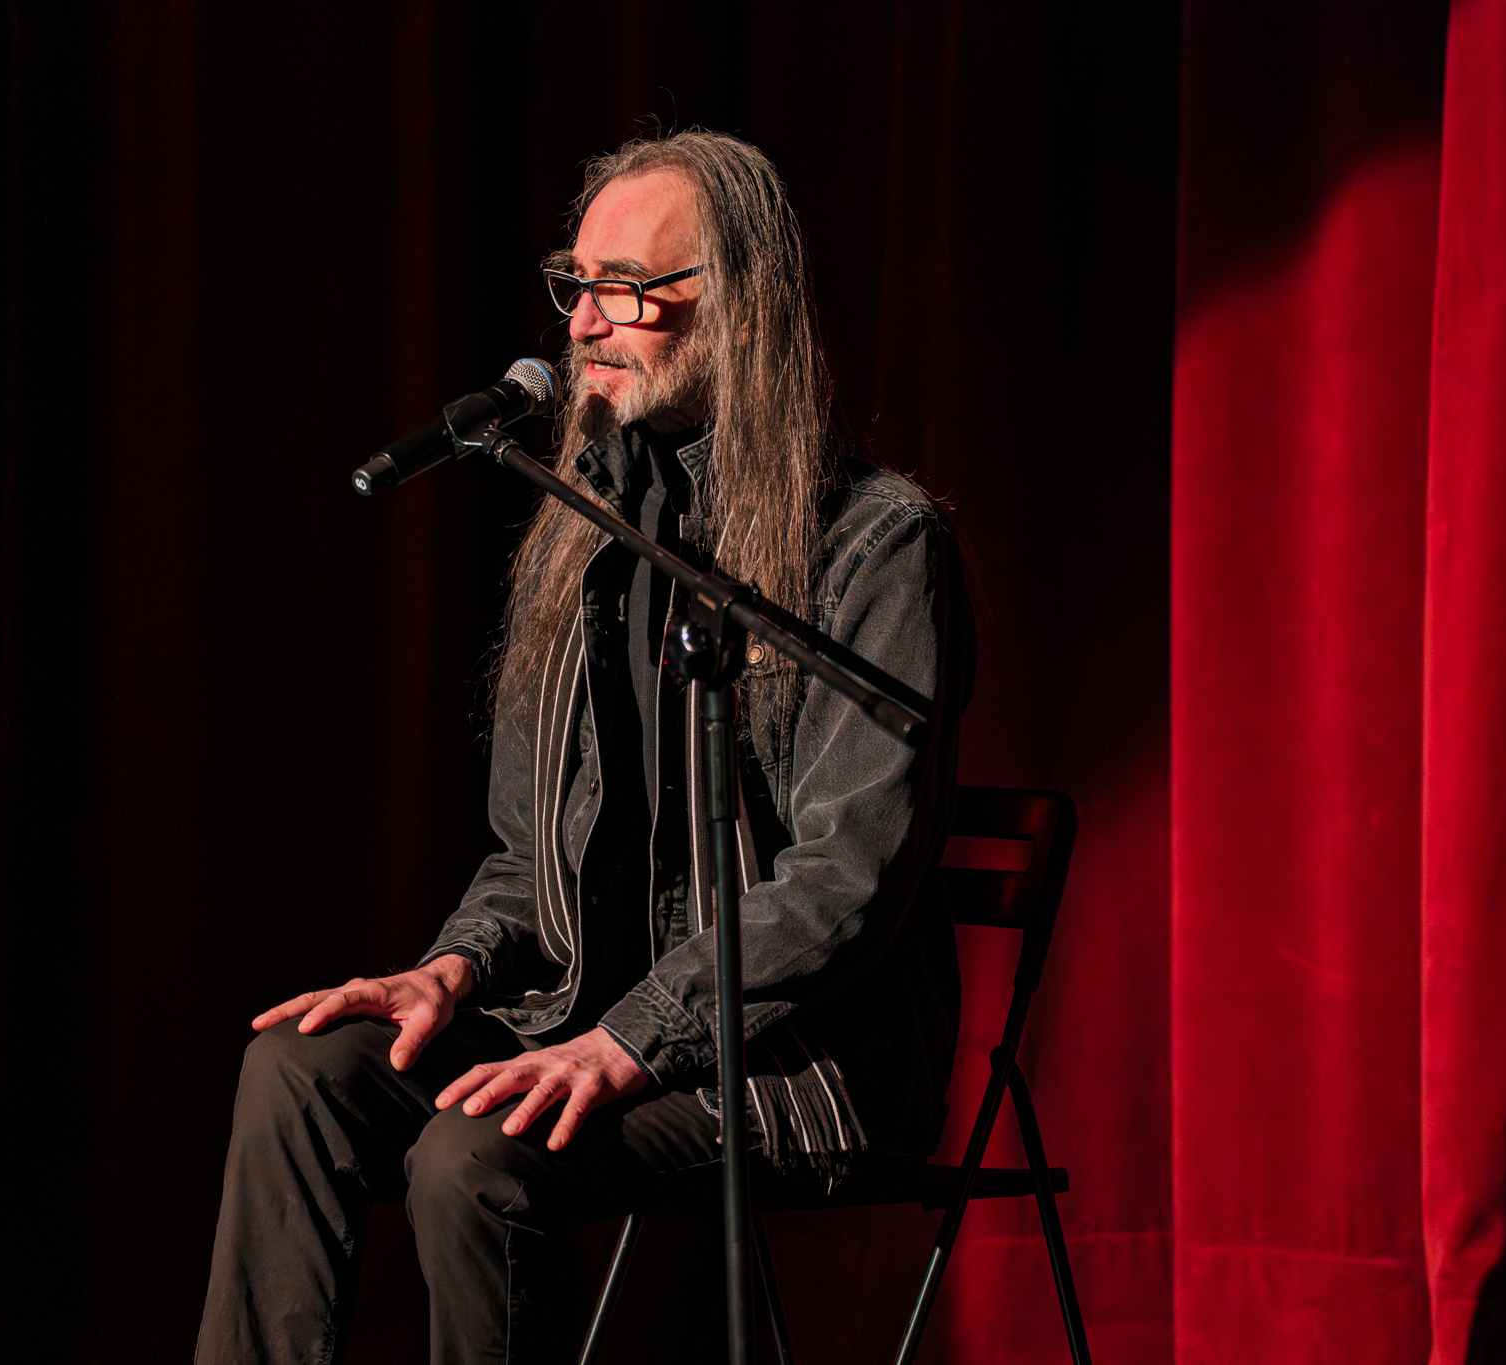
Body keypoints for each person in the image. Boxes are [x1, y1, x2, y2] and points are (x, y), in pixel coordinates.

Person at [194, 129, 974, 1364]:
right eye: (575, 283)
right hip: (587, 1017)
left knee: (472, 1158)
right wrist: (450, 970)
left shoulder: (875, 544)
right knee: (301, 1072)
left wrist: (628, 1040)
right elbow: (528, 856)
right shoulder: (587, 529)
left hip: (792, 1061)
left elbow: (846, 875)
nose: (584, 324)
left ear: (737, 305)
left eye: (626, 287)